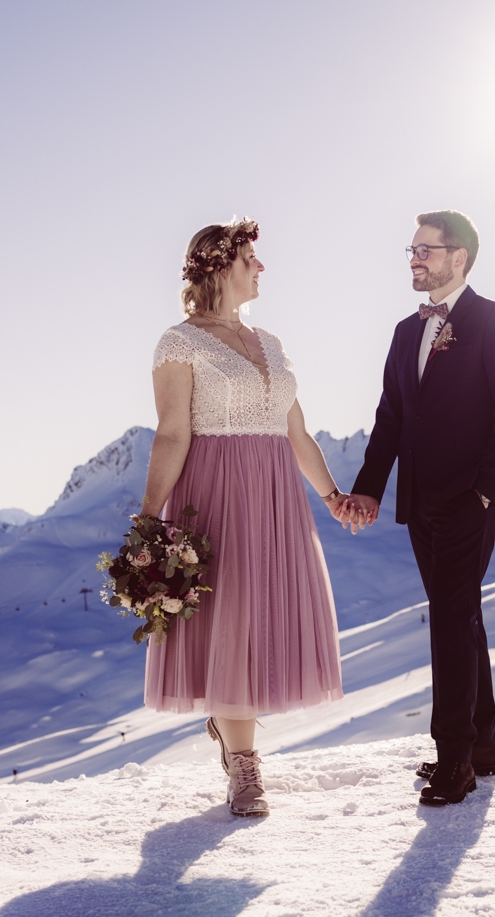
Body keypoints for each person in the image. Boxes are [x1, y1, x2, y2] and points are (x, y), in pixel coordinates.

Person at [141, 218, 344, 818]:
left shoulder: (271, 343)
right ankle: (245, 768)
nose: (261, 268)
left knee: (262, 619)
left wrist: (332, 496)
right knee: (230, 617)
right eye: (251, 259)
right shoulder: (178, 342)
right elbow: (173, 432)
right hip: (215, 494)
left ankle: (233, 737)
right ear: (220, 267)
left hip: (277, 494)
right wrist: (149, 519)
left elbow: (296, 430)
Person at [335, 211, 495, 806]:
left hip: (471, 501)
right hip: (418, 502)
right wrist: (370, 487)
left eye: (427, 249)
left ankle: (454, 762)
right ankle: (479, 750)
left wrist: (485, 492)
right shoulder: (404, 332)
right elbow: (391, 417)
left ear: (460, 257)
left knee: (450, 619)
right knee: (460, 615)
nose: (415, 258)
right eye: (412, 249)